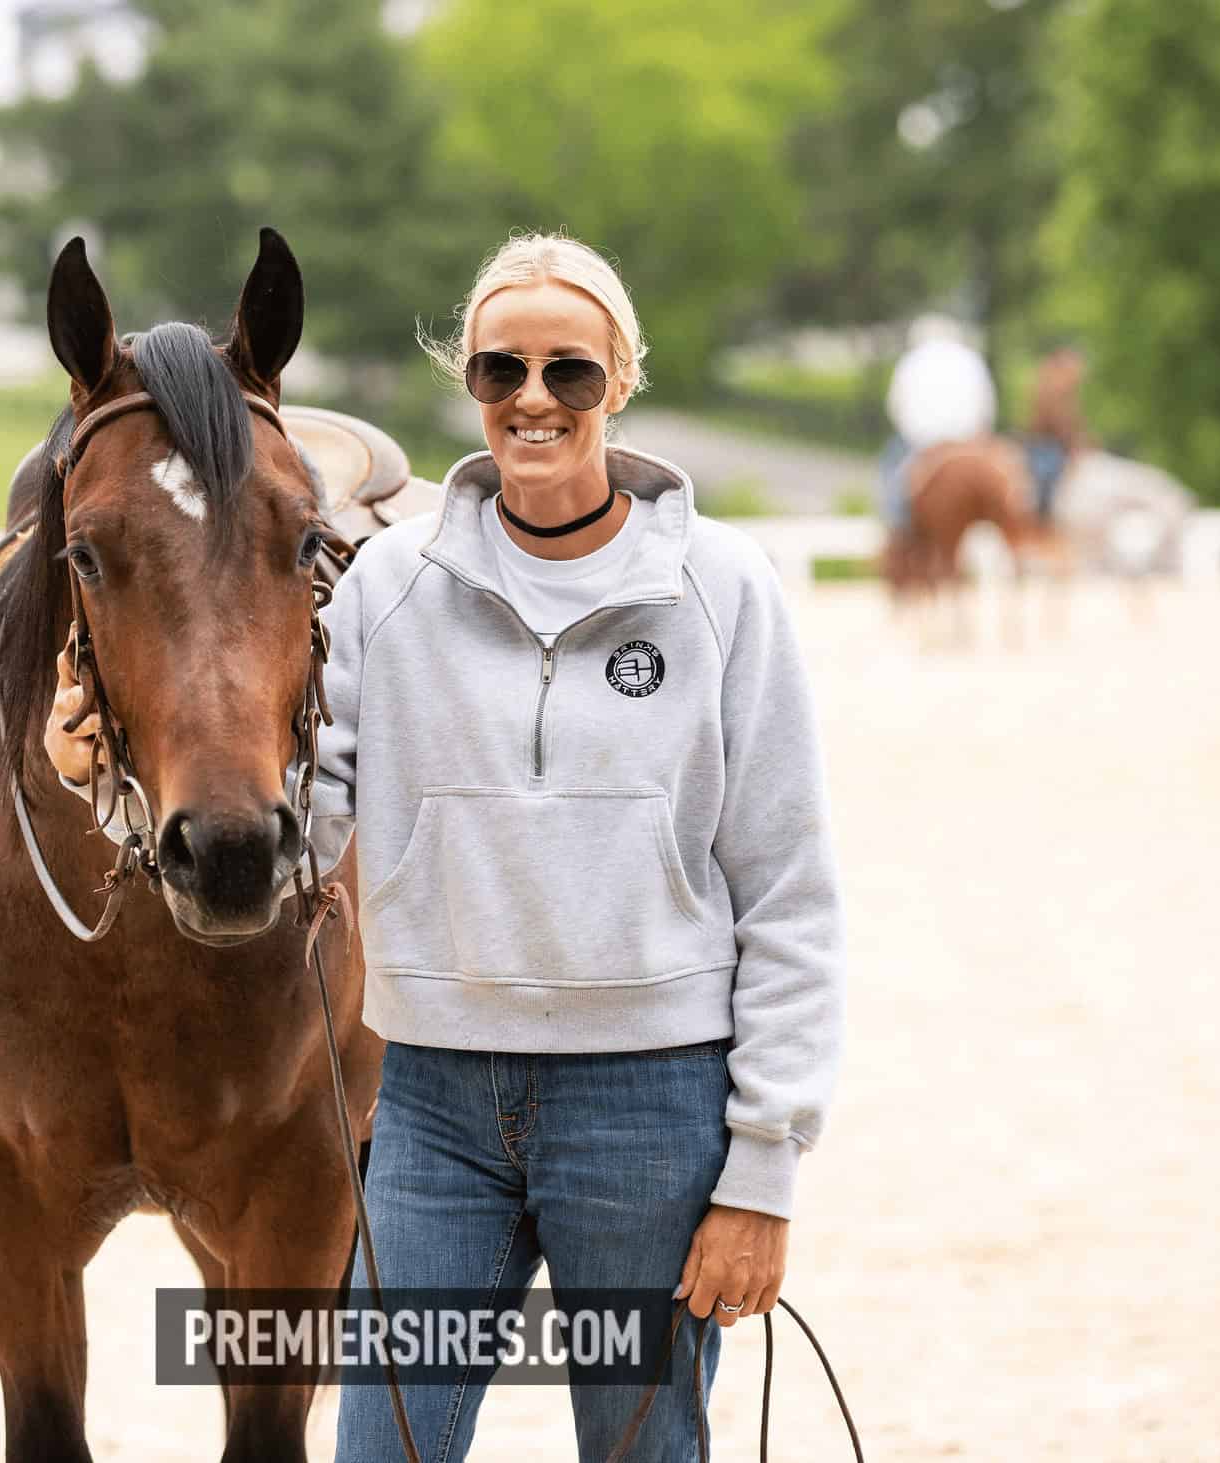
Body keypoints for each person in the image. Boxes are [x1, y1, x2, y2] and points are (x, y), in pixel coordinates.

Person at [313, 234, 846, 1462]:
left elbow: (788, 891)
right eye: (500, 368)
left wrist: (761, 1173)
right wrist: (101, 771)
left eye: (570, 370)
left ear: (620, 381)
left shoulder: (724, 586)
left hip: (651, 1102)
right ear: (470, 382)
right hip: (433, 1101)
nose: (533, 398)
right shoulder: (383, 585)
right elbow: (302, 826)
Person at [879, 314, 997, 534]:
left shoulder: (911, 361)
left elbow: (895, 406)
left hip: (922, 443)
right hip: (969, 442)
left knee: (891, 471)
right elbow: (987, 407)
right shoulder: (971, 359)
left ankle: (897, 527)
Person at [1025, 345, 1093, 520]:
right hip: (1047, 447)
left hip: (1048, 446)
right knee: (1046, 485)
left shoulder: (1057, 390)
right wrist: (1073, 444)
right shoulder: (1054, 390)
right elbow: (1056, 423)